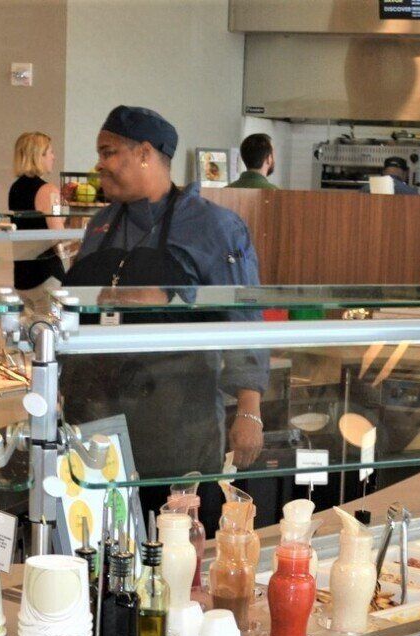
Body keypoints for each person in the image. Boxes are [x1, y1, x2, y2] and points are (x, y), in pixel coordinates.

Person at [60, 105, 269, 478]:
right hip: (94, 418)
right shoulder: (100, 225)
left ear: (144, 153)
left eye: (109, 153)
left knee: (177, 531)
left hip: (177, 420)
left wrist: (249, 411)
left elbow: (244, 320)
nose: (99, 165)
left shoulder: (214, 227)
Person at [7, 131, 67, 291]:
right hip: (46, 276)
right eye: (50, 152)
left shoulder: (15, 188)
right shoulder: (48, 190)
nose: (53, 157)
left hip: (22, 277)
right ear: (39, 156)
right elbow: (59, 237)